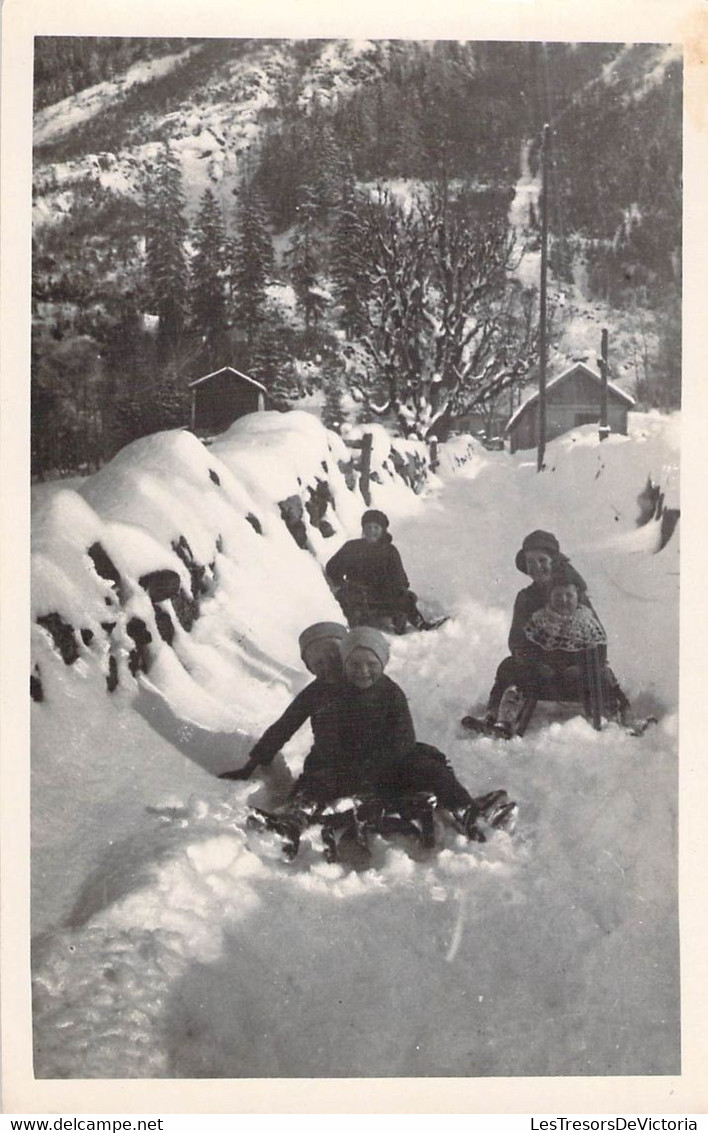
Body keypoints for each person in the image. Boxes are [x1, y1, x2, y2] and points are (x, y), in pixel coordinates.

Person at [483, 561, 629, 736]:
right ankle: (501, 718)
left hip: (577, 682)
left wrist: (581, 668)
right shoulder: (539, 621)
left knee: (604, 675)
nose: (564, 600)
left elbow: (597, 653)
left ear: (578, 597)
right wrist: (537, 665)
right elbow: (528, 648)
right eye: (558, 595)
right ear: (549, 597)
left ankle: (615, 721)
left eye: (569, 595)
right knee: (509, 667)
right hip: (543, 680)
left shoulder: (587, 623)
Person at [218, 621, 348, 782]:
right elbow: (283, 727)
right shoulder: (314, 693)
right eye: (319, 663)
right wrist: (251, 766)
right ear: (311, 668)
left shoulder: (370, 686)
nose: (328, 666)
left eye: (334, 657)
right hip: (325, 766)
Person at [325, 509, 429, 633]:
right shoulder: (352, 547)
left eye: (376, 527)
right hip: (357, 595)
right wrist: (341, 583)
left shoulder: (390, 551)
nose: (371, 531)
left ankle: (419, 623)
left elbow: (400, 579)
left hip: (383, 596)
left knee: (407, 598)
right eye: (368, 527)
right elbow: (332, 568)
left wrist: (394, 590)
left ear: (382, 531)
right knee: (343, 598)